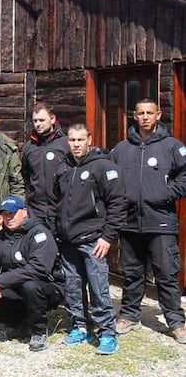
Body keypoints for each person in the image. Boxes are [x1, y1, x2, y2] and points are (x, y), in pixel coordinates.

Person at [110, 99, 186, 344]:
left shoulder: (172, 147)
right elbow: (110, 179)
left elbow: (184, 177)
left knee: (166, 274)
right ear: (134, 116)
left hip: (161, 221)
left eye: (149, 113)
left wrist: (164, 193)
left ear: (158, 115)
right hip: (130, 223)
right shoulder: (122, 149)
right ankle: (130, 316)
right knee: (132, 274)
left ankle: (176, 321)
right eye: (140, 113)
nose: (145, 117)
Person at [49, 123, 124, 355]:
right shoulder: (63, 168)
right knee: (73, 287)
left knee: (99, 287)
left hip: (94, 240)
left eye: (81, 140)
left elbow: (118, 203)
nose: (77, 144)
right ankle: (80, 327)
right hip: (68, 240)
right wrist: (56, 234)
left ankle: (107, 333)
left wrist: (107, 237)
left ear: (89, 139)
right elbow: (55, 204)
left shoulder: (102, 166)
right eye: (72, 140)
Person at [0, 196, 64, 352]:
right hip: (16, 286)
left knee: (30, 286)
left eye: (12, 214)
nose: (8, 218)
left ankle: (39, 330)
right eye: (5, 214)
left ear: (24, 211)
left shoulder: (39, 233)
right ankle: (22, 322)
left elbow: (39, 269)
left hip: (47, 286)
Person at [20, 102, 69, 223]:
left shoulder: (65, 144)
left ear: (52, 119)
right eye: (35, 121)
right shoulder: (29, 148)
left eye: (42, 120)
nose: (38, 124)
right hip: (37, 210)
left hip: (62, 208)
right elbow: (26, 175)